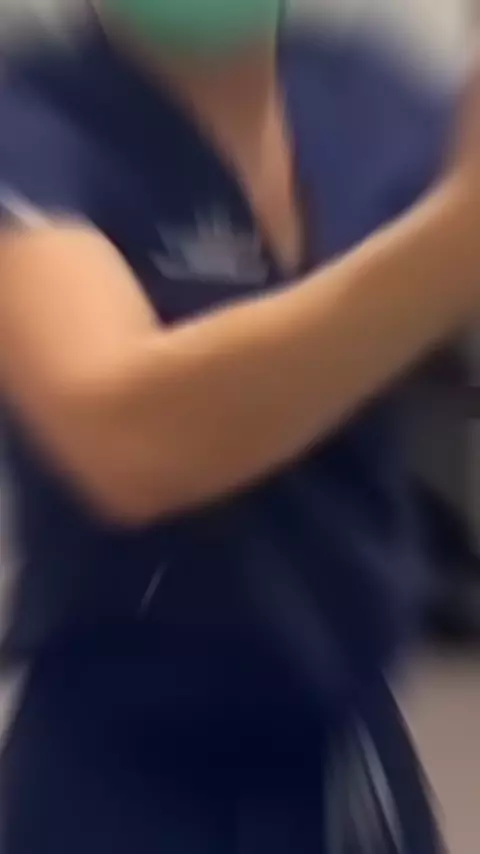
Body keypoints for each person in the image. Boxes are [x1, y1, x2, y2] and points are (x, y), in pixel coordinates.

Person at [0, 0, 475, 851]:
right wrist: (451, 243)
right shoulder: (33, 126)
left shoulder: (366, 102)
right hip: (120, 779)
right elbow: (125, 437)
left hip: (346, 758)